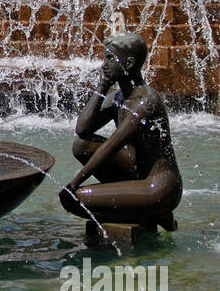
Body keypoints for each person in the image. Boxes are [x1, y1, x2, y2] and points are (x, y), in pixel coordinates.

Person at [58, 33, 182, 231]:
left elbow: (111, 147)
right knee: (82, 145)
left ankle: (154, 212)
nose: (103, 65)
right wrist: (102, 85)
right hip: (136, 175)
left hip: (160, 187)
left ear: (129, 63)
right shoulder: (118, 97)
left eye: (109, 58)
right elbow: (82, 129)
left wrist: (74, 184)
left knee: (77, 199)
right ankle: (147, 211)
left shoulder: (145, 101)